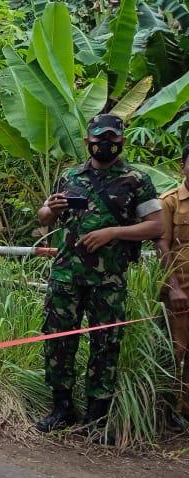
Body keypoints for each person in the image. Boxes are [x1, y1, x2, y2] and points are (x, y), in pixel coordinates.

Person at [35, 114, 162, 441]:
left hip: (109, 279)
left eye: (111, 137)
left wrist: (114, 232)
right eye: (98, 137)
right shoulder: (70, 175)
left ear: (121, 139)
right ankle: (61, 408)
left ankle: (96, 416)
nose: (105, 143)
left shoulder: (137, 179)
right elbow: (44, 219)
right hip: (67, 274)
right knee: (58, 340)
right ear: (87, 140)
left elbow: (157, 226)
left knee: (106, 345)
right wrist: (51, 208)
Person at [158, 145, 189, 431]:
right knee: (175, 352)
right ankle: (170, 412)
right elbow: (163, 244)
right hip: (181, 294)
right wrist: (174, 288)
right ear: (183, 166)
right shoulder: (169, 202)